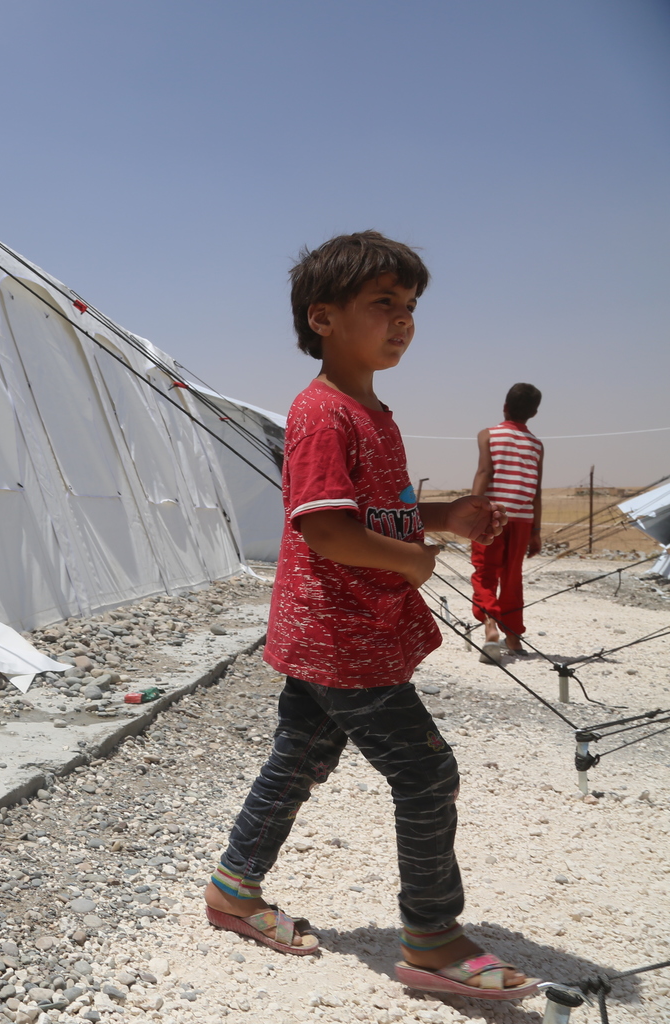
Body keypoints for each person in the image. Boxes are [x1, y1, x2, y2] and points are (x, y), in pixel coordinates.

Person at [202, 232, 538, 1001]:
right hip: (344, 638)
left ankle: (233, 888)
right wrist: (417, 561)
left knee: (297, 763)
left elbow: (374, 510)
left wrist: (444, 513)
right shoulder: (323, 414)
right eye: (382, 303)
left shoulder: (371, 411)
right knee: (427, 774)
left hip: (334, 634)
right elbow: (323, 527)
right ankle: (432, 935)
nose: (403, 320)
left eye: (411, 306)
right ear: (322, 318)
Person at [470, 383, 543, 654]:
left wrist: (470, 509)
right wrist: (536, 530)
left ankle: (490, 625)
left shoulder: (488, 435)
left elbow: (484, 472)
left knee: (485, 572)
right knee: (513, 577)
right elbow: (536, 490)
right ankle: (513, 638)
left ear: (505, 406)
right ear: (534, 413)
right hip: (523, 520)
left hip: (492, 515)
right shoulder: (537, 444)